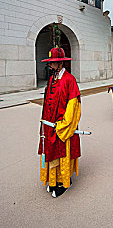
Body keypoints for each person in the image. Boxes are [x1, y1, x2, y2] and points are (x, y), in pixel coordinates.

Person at [38, 47, 81, 198]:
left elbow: (73, 105)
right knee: (51, 152)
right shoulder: (51, 79)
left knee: (62, 152)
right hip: (49, 124)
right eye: (50, 63)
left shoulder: (70, 80)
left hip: (61, 125)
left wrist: (64, 124)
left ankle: (63, 181)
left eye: (53, 63)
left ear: (60, 63)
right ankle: (53, 179)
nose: (50, 66)